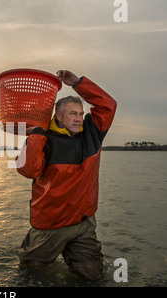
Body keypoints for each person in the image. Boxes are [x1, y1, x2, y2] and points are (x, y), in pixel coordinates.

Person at [15, 70, 117, 281]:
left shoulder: (93, 131)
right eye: (73, 114)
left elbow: (108, 105)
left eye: (81, 113)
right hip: (50, 226)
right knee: (31, 274)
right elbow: (28, 171)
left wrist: (79, 83)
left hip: (84, 223)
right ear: (58, 116)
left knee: (92, 277)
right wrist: (36, 135)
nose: (79, 119)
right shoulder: (43, 137)